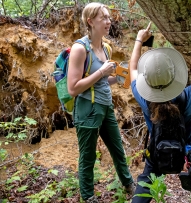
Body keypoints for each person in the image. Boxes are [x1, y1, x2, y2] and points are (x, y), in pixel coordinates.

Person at [129, 22, 191, 203]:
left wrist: (139, 40)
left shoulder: (143, 97)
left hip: (158, 146)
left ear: (147, 82)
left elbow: (133, 70)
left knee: (145, 186)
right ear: (176, 76)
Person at [67, 2, 135, 202]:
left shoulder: (106, 48)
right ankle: (88, 197)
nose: (108, 21)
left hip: (105, 107)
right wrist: (101, 72)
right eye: (103, 17)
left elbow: (102, 81)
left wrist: (119, 79)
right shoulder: (80, 49)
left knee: (118, 150)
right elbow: (73, 88)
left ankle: (129, 185)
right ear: (90, 21)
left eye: (109, 17)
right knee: (88, 157)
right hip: (87, 109)